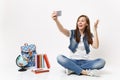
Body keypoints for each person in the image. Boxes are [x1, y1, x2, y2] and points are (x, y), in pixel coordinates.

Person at [51, 11, 106, 76]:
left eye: (82, 21)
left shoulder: (89, 35)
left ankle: (72, 69)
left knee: (102, 61)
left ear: (87, 24)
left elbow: (96, 46)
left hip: (86, 62)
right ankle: (84, 72)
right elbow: (62, 29)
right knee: (59, 57)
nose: (80, 22)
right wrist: (56, 20)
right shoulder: (72, 33)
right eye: (79, 21)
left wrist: (95, 30)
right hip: (73, 61)